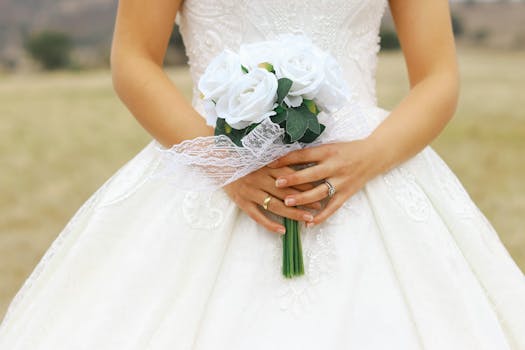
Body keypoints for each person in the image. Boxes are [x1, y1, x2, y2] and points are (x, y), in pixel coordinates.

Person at [1, 0, 524, 348]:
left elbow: (439, 76)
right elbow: (133, 59)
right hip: (216, 162)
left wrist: (367, 158)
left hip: (366, 168)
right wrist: (225, 165)